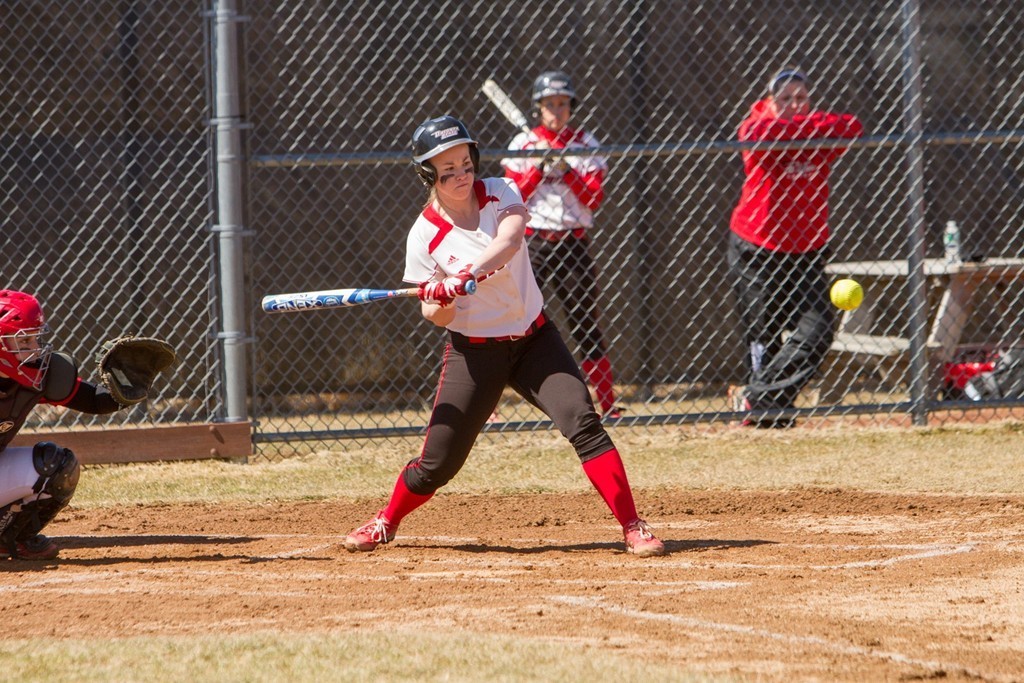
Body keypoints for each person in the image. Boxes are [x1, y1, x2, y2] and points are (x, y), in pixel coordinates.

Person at [343, 115, 664, 557]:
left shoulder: (500, 191)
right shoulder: (424, 235)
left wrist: (466, 274)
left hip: (534, 340)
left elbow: (510, 241)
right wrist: (441, 296)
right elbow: (433, 313)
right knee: (437, 465)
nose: (461, 175)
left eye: (465, 163)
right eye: (447, 169)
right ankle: (386, 520)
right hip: (475, 355)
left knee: (583, 423)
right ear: (428, 175)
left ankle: (632, 524)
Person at [728, 67, 864, 427]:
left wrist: (802, 128)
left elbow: (851, 126)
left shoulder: (817, 127)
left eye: (801, 98)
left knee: (817, 332)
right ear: (771, 102)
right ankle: (770, 415)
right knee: (764, 335)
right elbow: (756, 135)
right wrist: (809, 132)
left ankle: (756, 398)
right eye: (785, 99)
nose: (794, 104)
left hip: (807, 252)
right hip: (757, 249)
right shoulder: (757, 126)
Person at [500, 71, 620, 418]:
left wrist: (566, 169)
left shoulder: (585, 144)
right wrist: (540, 166)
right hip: (533, 242)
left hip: (572, 242)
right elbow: (513, 195)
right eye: (550, 104)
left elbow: (593, 199)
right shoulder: (524, 143)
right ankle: (489, 404)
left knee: (585, 321)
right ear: (538, 108)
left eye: (563, 103)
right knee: (513, 316)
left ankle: (609, 404)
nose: (557, 110)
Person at [0, 290, 129, 560]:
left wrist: (126, 387)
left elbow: (94, 401)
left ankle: (9, 539)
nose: (35, 348)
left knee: (56, 466)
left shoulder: (35, 374)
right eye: (23, 340)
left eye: (35, 338)